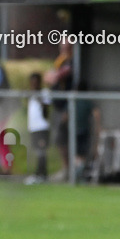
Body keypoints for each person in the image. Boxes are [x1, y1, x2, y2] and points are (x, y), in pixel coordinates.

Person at [45, 39, 73, 181]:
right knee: (58, 140)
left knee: (63, 140)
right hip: (56, 107)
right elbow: (47, 77)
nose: (64, 49)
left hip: (65, 108)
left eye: (67, 46)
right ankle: (65, 168)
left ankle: (67, 170)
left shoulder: (70, 63)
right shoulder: (60, 61)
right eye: (62, 46)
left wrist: (52, 76)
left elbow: (55, 77)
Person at [24, 72, 52, 184]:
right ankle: (40, 174)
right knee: (37, 151)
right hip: (33, 127)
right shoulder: (31, 94)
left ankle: (41, 174)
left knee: (42, 151)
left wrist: (37, 97)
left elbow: (46, 108)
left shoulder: (44, 93)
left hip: (42, 127)